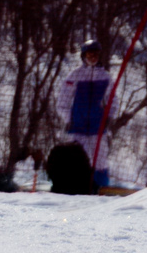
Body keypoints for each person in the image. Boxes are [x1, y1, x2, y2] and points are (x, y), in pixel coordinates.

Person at [48, 37, 113, 192]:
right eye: (90, 55)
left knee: (100, 160)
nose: (93, 58)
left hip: (97, 127)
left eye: (96, 55)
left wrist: (109, 116)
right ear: (83, 56)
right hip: (78, 127)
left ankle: (101, 188)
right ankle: (74, 187)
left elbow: (112, 100)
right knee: (77, 159)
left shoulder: (105, 76)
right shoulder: (74, 76)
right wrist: (69, 119)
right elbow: (62, 102)